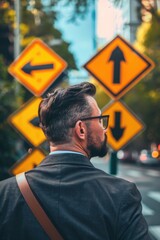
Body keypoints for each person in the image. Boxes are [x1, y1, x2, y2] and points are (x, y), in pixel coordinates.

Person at [0, 82, 151, 240]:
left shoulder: (4, 193)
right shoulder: (121, 194)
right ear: (81, 129)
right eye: (100, 120)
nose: (104, 128)